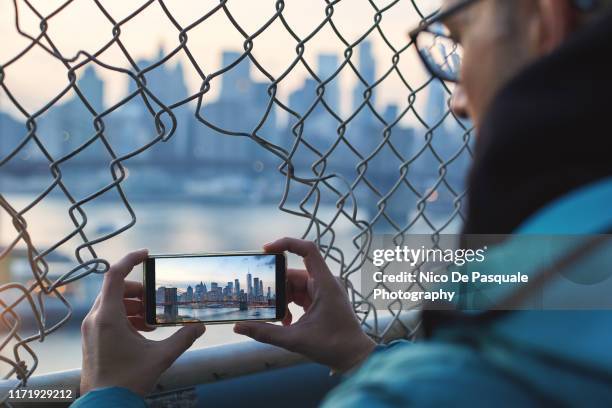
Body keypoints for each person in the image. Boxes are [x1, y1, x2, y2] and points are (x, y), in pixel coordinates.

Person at [72, 0, 612, 406]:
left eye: (458, 41)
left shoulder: (450, 385)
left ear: (547, 21)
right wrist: (358, 354)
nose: (456, 100)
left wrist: (106, 393)